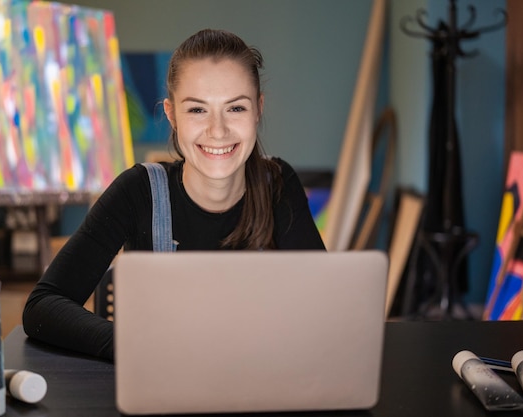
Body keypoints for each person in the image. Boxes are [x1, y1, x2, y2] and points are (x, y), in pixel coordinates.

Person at [22, 28, 326, 361]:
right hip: (158, 389)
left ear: (258, 109)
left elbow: (322, 305)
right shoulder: (137, 191)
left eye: (235, 108)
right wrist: (132, 346)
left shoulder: (278, 185)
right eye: (197, 110)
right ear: (171, 114)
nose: (218, 130)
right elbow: (43, 305)